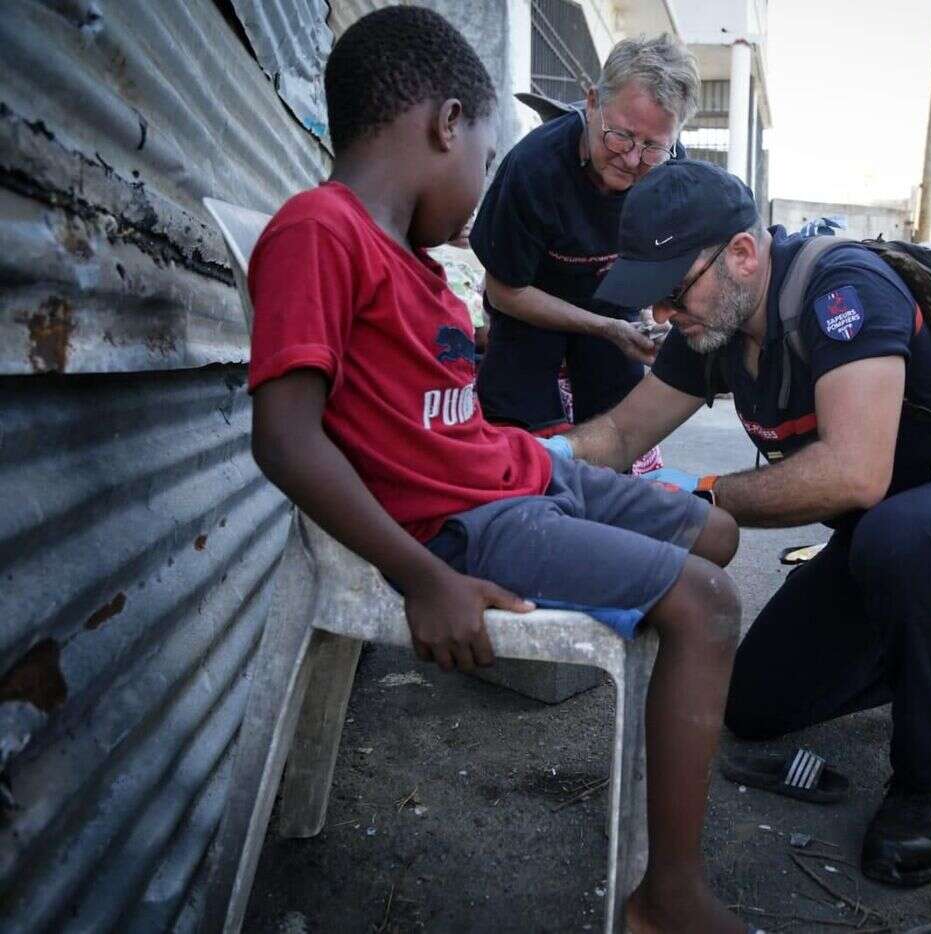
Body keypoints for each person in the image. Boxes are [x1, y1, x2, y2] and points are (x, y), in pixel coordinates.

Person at [244, 10, 746, 932]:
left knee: (718, 531)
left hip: (514, 472)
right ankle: (667, 895)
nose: (484, 187)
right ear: (445, 125)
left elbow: (440, 416)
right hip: (465, 524)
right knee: (709, 605)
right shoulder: (320, 231)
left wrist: (547, 458)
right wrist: (421, 575)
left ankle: (678, 703)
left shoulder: (413, 264)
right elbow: (285, 438)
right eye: (483, 154)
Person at [557, 159, 931, 889]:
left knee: (904, 538)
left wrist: (702, 494)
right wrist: (530, 460)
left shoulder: (844, 290)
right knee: (754, 705)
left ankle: (929, 780)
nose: (661, 316)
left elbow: (855, 473)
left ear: (743, 255)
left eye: (670, 292)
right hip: (873, 537)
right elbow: (622, 435)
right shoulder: (712, 322)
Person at [468, 34, 698, 449]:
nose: (631, 160)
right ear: (592, 103)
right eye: (620, 136)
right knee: (517, 436)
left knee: (618, 431)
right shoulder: (534, 168)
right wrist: (603, 327)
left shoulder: (672, 174)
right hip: (529, 303)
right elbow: (505, 292)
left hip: (612, 302)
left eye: (652, 147)